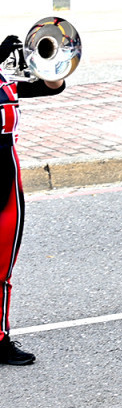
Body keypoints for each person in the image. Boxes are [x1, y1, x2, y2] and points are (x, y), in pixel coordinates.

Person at [0, 34, 65, 365]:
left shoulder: (5, 77)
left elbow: (53, 86)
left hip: (6, 183)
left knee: (2, 269)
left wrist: (36, 61)